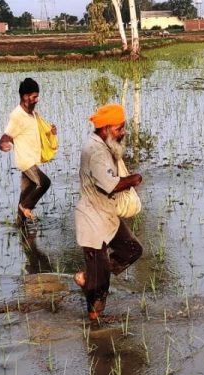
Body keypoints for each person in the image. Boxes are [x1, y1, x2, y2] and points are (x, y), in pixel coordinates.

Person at [73, 103, 144, 321]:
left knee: (132, 250)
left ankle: (89, 276)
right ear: (104, 129)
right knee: (100, 290)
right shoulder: (95, 151)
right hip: (92, 222)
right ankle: (95, 330)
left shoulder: (106, 147)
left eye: (123, 128)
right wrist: (134, 179)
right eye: (119, 128)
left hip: (107, 217)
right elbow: (111, 185)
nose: (123, 133)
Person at [0, 77, 57, 225]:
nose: (37, 100)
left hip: (32, 158)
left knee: (26, 192)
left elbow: (37, 130)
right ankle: (25, 207)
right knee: (44, 182)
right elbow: (7, 135)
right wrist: (3, 143)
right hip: (26, 161)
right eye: (34, 97)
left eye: (37, 96)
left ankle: (20, 223)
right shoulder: (17, 115)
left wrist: (50, 132)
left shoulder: (32, 114)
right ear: (25, 97)